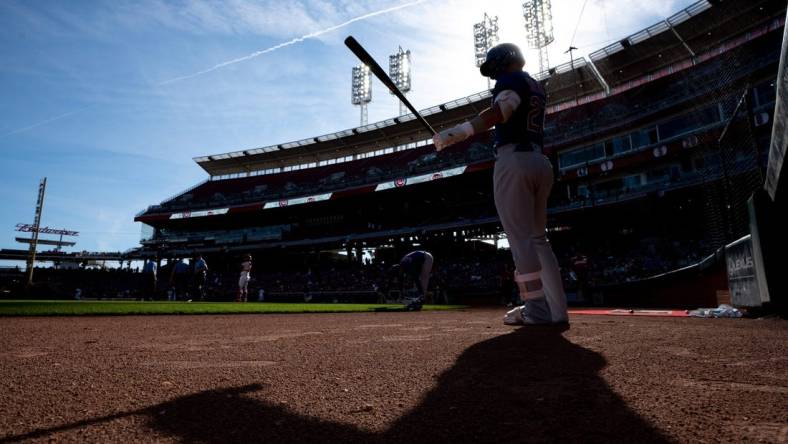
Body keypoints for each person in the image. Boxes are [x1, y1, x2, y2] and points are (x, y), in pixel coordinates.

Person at [432, 43, 568, 326]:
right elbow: (502, 107)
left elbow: (502, 110)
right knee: (539, 240)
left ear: (504, 61)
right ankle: (557, 312)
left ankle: (536, 310)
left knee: (520, 241)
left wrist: (460, 132)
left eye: (494, 67)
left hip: (514, 162)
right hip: (539, 161)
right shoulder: (533, 84)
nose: (492, 74)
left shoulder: (510, 80)